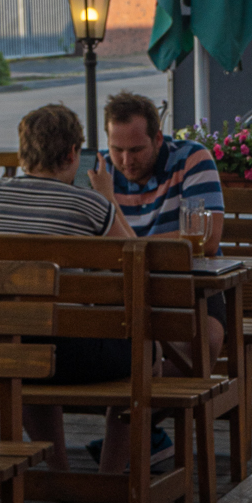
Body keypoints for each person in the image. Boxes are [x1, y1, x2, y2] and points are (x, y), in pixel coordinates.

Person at [0, 103, 134, 471]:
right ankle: (109, 475)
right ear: (72, 154)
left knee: (23, 335)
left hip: (1, 354)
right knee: (147, 354)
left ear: (24, 152)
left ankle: (58, 469)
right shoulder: (93, 206)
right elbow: (138, 261)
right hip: (75, 356)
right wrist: (108, 196)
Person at [95, 91, 226, 367]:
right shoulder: (100, 172)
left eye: (136, 150)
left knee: (206, 341)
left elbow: (207, 239)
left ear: (157, 139)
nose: (126, 161)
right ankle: (134, 406)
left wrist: (130, 243)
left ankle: (144, 407)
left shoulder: (191, 158)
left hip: (188, 287)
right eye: (117, 149)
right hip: (119, 292)